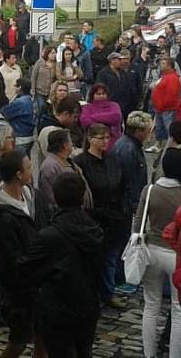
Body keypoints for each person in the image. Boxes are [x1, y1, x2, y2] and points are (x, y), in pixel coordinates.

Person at [18, 173, 104, 358]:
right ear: (82, 198)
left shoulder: (50, 235)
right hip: (87, 307)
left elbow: (27, 271)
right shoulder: (94, 230)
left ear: (56, 197)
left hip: (58, 310)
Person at [0, 150, 46, 358]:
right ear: (18, 174)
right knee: (19, 341)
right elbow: (11, 260)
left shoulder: (33, 197)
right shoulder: (1, 215)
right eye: (29, 167)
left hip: (39, 281)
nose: (32, 170)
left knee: (42, 336)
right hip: (19, 289)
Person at [75, 123, 129, 310]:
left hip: (114, 218)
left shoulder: (113, 160)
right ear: (91, 139)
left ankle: (108, 292)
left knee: (110, 259)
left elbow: (121, 186)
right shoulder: (81, 162)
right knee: (93, 261)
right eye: (102, 138)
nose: (106, 141)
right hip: (93, 219)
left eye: (108, 137)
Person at [134, 149, 181, 358]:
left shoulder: (150, 190)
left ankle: (149, 353)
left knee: (151, 305)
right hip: (176, 254)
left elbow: (138, 224)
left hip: (152, 250)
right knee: (178, 309)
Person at [110, 111, 152, 217]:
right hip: (125, 204)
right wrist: (136, 205)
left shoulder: (124, 144)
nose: (149, 134)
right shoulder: (129, 151)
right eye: (148, 131)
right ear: (138, 131)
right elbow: (132, 180)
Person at [38, 129, 92, 211]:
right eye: (70, 141)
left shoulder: (68, 160)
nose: (72, 144)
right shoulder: (50, 167)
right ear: (65, 145)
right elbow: (51, 197)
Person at [79, 83, 122, 152]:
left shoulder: (114, 105)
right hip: (93, 144)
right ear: (92, 95)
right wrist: (107, 121)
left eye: (103, 93)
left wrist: (92, 117)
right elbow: (84, 121)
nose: (101, 96)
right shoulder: (87, 107)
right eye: (98, 94)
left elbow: (116, 117)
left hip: (114, 143)